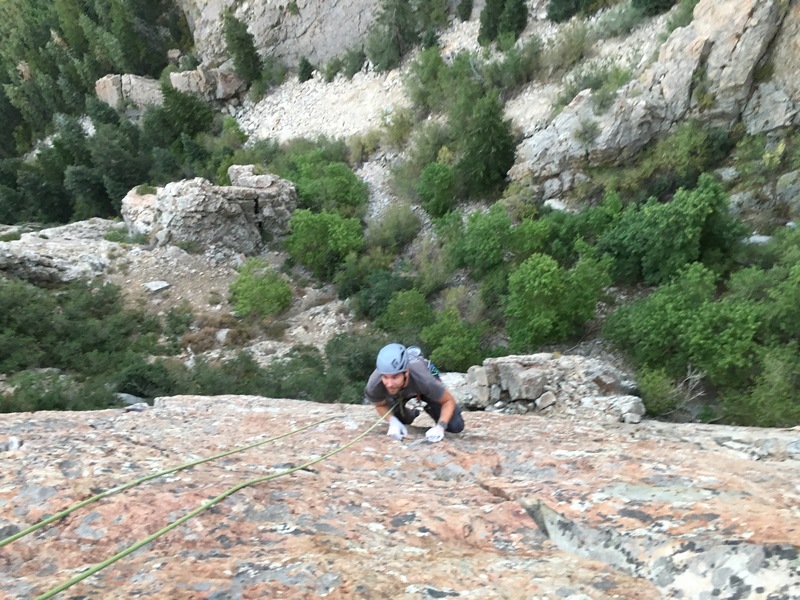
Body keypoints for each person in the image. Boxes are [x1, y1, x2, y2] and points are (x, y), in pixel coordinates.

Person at [364, 343, 464, 443]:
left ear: (406, 372)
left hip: (421, 387)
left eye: (394, 377)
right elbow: (380, 405)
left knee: (455, 425)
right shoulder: (375, 384)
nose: (389, 384)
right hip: (399, 393)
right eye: (385, 377)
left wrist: (440, 427)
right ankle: (414, 413)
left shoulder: (425, 380)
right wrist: (393, 421)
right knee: (403, 421)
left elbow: (448, 401)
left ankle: (430, 406)